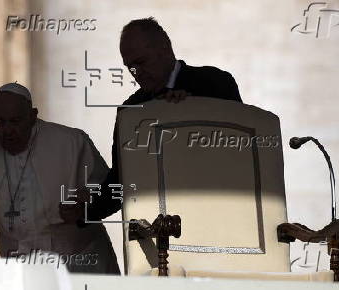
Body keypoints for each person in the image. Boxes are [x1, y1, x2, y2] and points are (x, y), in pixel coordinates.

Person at [0, 83, 120, 274]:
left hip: (82, 268)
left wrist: (86, 205)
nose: (8, 130)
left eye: (15, 121)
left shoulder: (72, 142)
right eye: (1, 121)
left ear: (33, 116)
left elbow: (111, 193)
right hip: (23, 272)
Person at [82, 17, 243, 222]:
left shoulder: (215, 83)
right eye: (129, 66)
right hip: (157, 229)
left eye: (141, 62)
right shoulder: (130, 110)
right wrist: (84, 210)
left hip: (219, 218)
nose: (136, 73)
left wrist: (192, 110)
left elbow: (239, 152)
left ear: (165, 48)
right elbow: (122, 182)